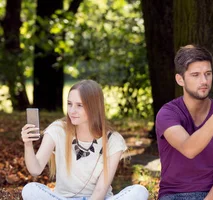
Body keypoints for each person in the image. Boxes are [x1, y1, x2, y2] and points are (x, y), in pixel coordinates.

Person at [20, 80, 148, 200]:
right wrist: (28, 144)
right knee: (30, 189)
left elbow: (100, 190)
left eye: (79, 105)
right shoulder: (57, 129)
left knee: (139, 191)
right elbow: (35, 170)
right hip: (62, 198)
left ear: (94, 107)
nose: (72, 111)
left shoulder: (113, 140)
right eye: (69, 104)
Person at [154, 45, 213, 200]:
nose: (204, 81)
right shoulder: (167, 113)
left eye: (208, 74)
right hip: (174, 195)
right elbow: (189, 149)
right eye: (195, 75)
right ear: (180, 79)